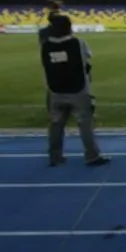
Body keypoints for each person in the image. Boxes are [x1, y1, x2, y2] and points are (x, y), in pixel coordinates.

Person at [40, 14, 110, 167]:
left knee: (56, 125)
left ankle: (55, 157)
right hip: (77, 89)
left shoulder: (45, 45)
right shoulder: (77, 43)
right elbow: (87, 59)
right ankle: (91, 156)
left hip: (55, 90)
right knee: (85, 124)